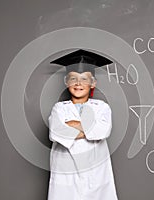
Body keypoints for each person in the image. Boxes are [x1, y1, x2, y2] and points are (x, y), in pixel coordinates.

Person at [47, 49, 118, 200]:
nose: (78, 83)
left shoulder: (102, 107)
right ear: (67, 82)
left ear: (93, 83)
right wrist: (89, 127)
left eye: (85, 79)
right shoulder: (59, 108)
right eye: (73, 79)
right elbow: (56, 133)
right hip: (65, 175)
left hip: (96, 174)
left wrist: (72, 125)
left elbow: (103, 131)